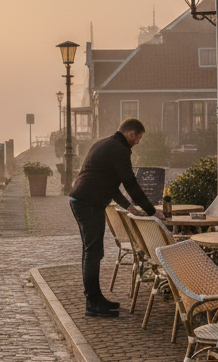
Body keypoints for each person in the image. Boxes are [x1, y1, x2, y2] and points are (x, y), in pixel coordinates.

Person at [68, 117, 158, 318]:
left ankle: (95, 298)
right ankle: (92, 303)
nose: (138, 143)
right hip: (88, 203)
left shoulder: (104, 144)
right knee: (93, 252)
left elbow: (111, 184)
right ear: (131, 133)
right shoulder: (119, 149)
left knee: (91, 251)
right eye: (138, 138)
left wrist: (130, 207)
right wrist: (152, 211)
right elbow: (130, 183)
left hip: (80, 199)